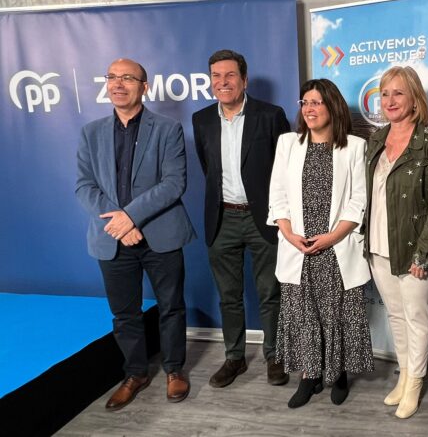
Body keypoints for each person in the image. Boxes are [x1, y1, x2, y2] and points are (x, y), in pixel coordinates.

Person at [75, 58, 195, 410]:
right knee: (124, 313)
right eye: (112, 77)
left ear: (144, 86)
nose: (118, 84)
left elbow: (174, 183)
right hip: (111, 239)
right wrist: (119, 224)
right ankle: (136, 373)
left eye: (127, 78)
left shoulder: (168, 129)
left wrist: (130, 217)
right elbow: (84, 186)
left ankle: (174, 370)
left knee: (171, 307)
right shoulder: (91, 132)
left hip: (160, 235)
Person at [268, 78, 374, 408]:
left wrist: (332, 237)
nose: (309, 108)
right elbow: (277, 194)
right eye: (305, 102)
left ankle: (338, 373)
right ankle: (309, 376)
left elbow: (359, 200)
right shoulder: (288, 143)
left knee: (338, 314)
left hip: (336, 246)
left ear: (333, 106)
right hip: (298, 247)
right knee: (303, 315)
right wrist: (289, 234)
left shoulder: (354, 146)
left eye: (316, 102)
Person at [192, 49, 290, 388]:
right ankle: (234, 357)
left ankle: (275, 355)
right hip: (222, 218)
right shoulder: (201, 120)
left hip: (264, 218)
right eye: (216, 76)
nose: (223, 82)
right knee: (228, 295)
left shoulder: (270, 115)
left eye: (230, 75)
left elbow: (284, 169)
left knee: (270, 292)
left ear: (244, 80)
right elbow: (208, 167)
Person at [364, 66, 428, 419]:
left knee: (416, 317)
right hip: (378, 247)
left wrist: (425, 254)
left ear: (415, 98)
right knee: (396, 316)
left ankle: (414, 383)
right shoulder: (376, 140)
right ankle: (403, 376)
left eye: (398, 93)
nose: (390, 100)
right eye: (385, 94)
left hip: (415, 250)